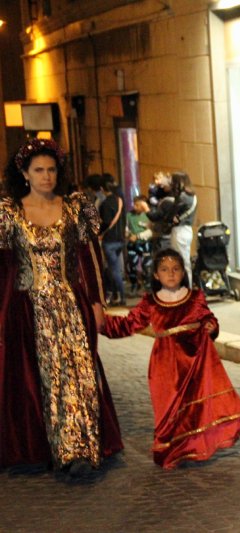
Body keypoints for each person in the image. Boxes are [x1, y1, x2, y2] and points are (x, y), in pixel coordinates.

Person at [0, 138, 124, 476]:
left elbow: (90, 258)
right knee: (35, 378)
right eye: (38, 170)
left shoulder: (74, 208)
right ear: (25, 174)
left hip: (70, 306)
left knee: (78, 374)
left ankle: (78, 450)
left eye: (51, 169)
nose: (46, 176)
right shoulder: (8, 213)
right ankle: (38, 447)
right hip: (27, 308)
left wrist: (97, 301)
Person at [99, 248, 240, 469]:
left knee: (191, 409)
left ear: (183, 272)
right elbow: (128, 324)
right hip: (164, 365)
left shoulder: (195, 297)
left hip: (193, 361)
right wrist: (100, 322)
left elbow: (209, 319)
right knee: (167, 410)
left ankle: (191, 448)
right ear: (156, 275)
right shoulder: (150, 302)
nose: (171, 274)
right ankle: (169, 450)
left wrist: (211, 327)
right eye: (165, 270)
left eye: (176, 269)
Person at [147, 171, 197, 286]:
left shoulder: (183, 197)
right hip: (187, 230)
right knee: (184, 261)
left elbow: (171, 214)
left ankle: (185, 291)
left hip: (179, 231)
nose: (171, 184)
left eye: (173, 181)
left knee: (182, 262)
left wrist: (170, 218)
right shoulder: (192, 195)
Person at [98, 175, 126, 306]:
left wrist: (99, 232)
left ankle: (121, 296)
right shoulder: (120, 201)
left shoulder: (105, 203)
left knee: (113, 269)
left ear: (102, 188)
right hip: (120, 239)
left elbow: (106, 222)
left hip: (109, 241)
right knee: (115, 268)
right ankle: (117, 295)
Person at [126, 194, 153, 293]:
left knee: (147, 266)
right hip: (132, 244)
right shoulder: (129, 215)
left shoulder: (149, 215)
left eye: (137, 205)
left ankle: (148, 287)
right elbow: (127, 228)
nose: (134, 207)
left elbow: (151, 231)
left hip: (145, 243)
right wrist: (128, 235)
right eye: (134, 204)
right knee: (131, 265)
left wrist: (138, 236)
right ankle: (134, 284)